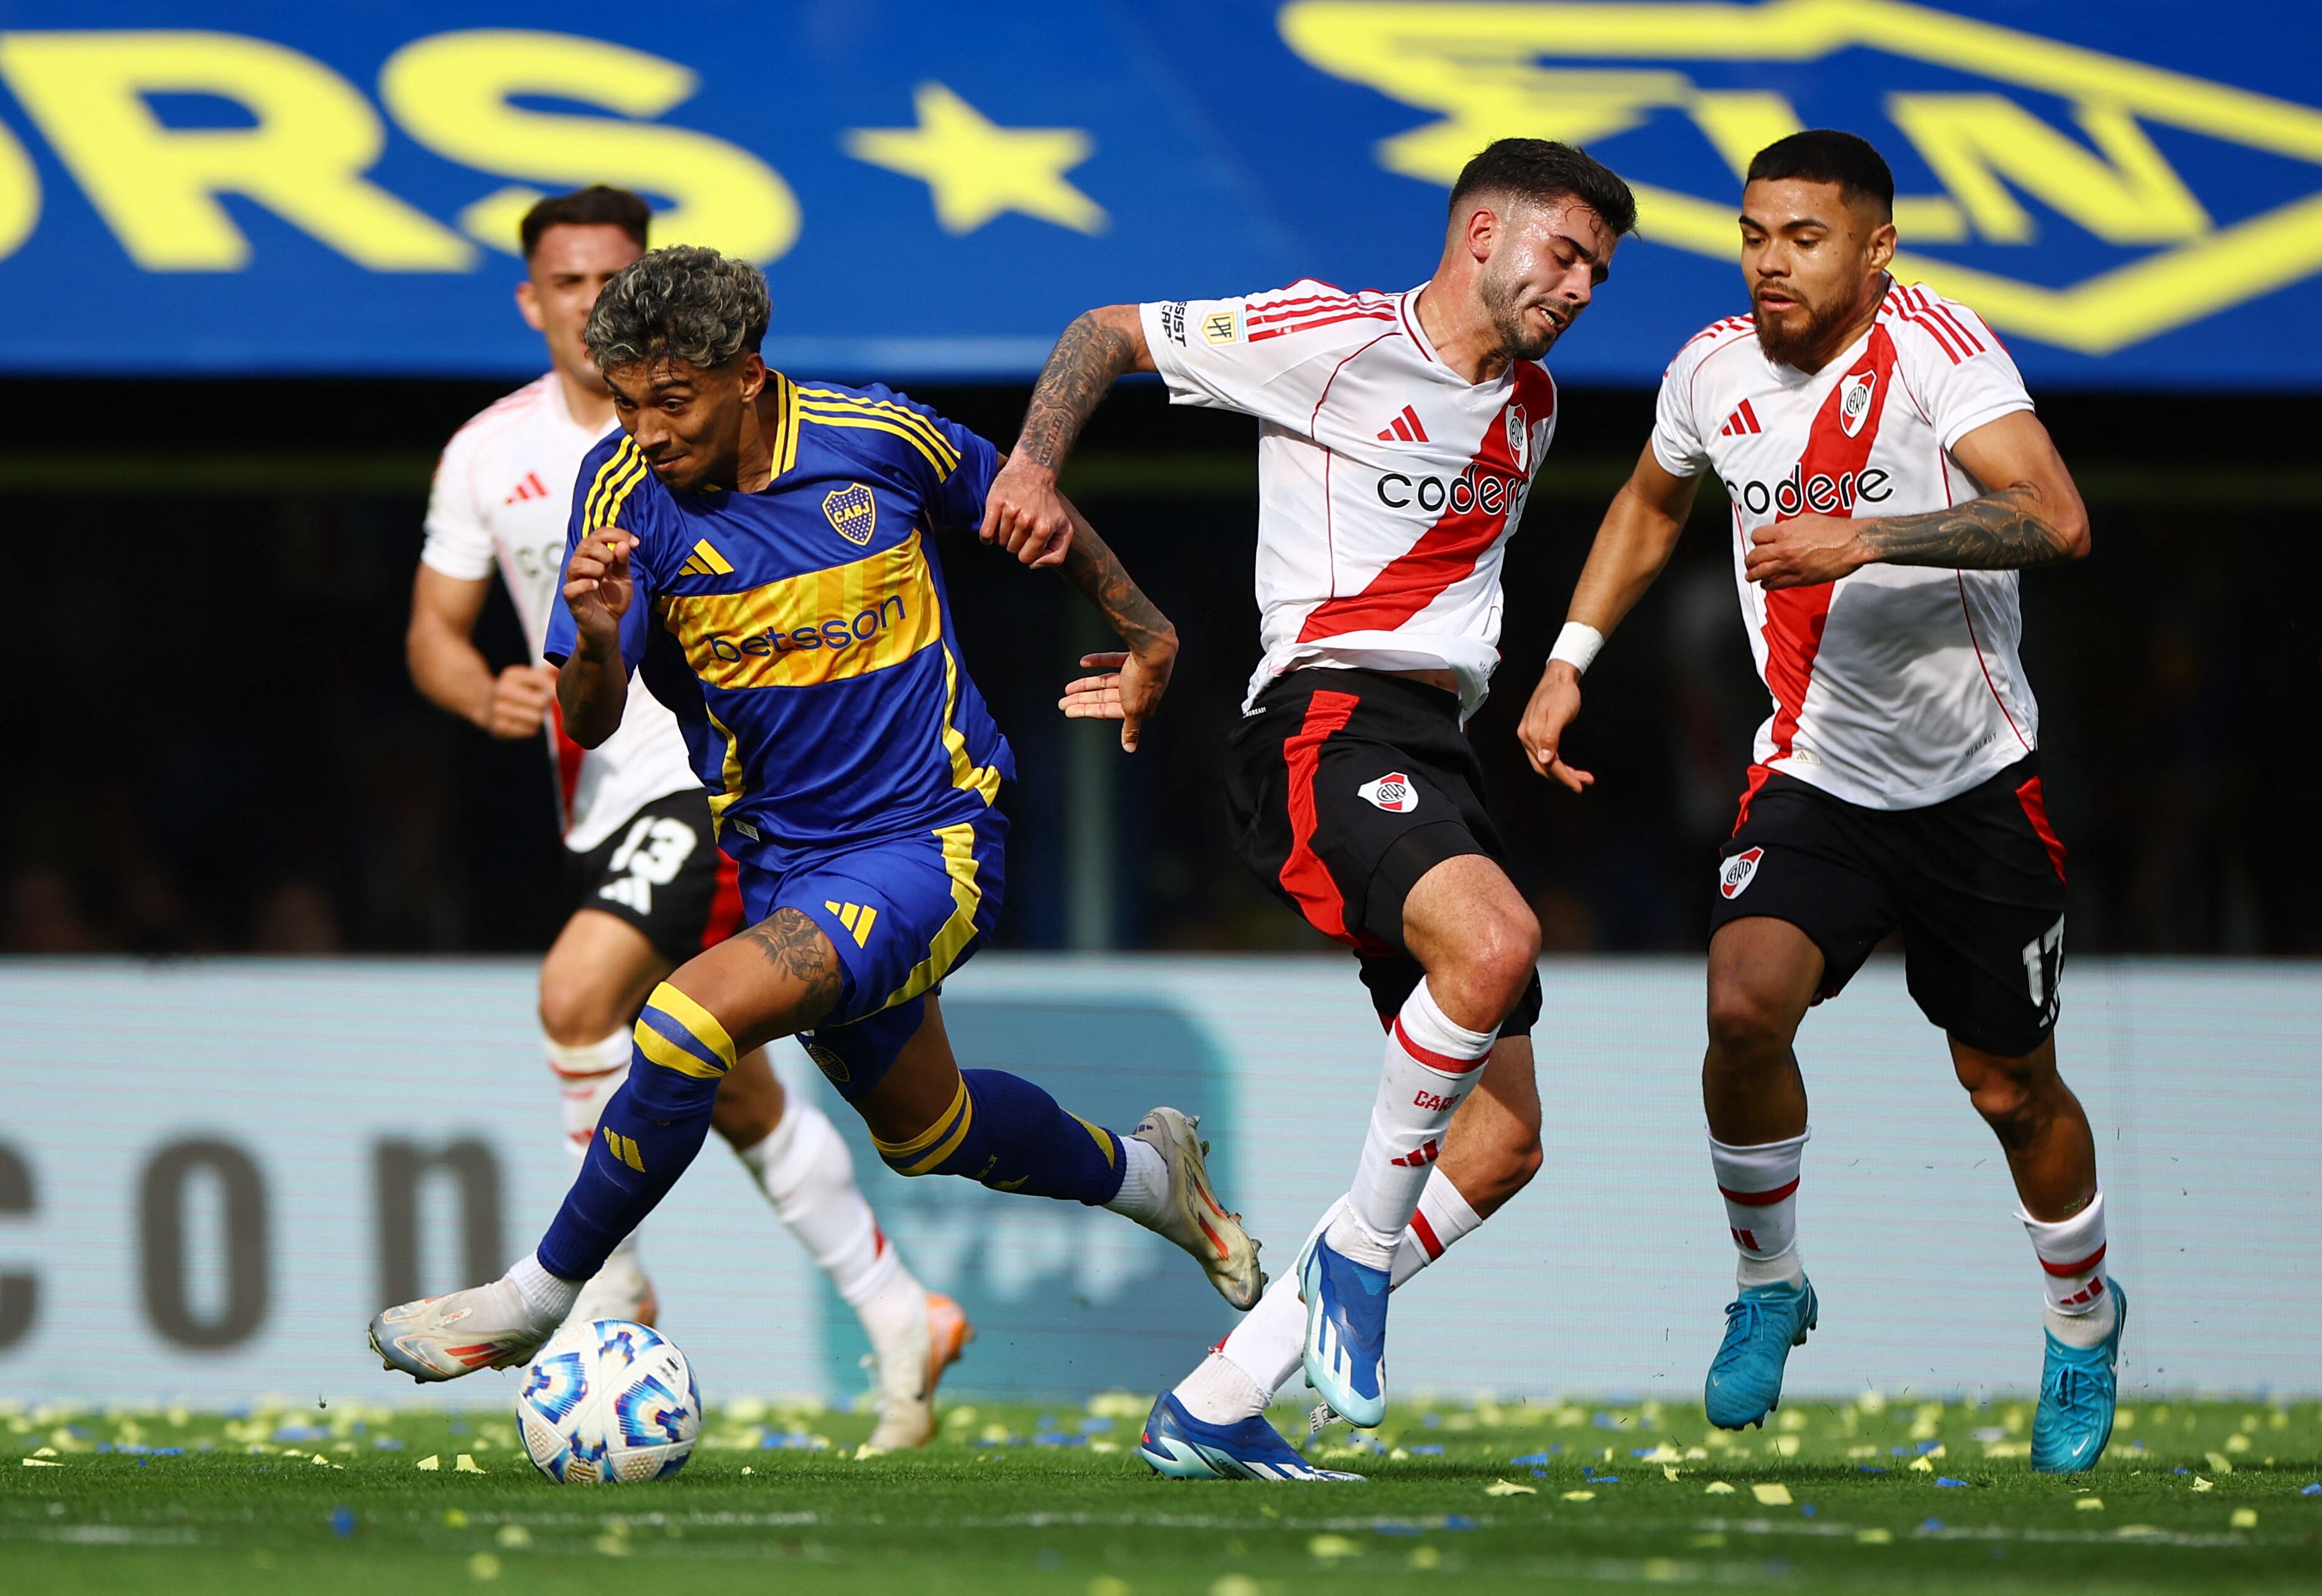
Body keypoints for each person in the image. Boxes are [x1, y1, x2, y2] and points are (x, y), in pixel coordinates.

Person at [373, 243, 1261, 1399]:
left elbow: (1028, 507)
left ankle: (538, 1297)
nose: (646, 429)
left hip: (933, 840)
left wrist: (1148, 631)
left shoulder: (877, 439)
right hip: (788, 866)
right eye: (630, 402)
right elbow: (587, 721)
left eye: (671, 401)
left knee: (685, 1020)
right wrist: (594, 635)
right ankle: (1157, 1179)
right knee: (928, 1133)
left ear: (746, 372)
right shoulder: (618, 491)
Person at [983, 138, 1636, 1478]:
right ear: (1480, 236)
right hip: (1325, 720)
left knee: (1504, 1138)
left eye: (1598, 271)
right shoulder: (1326, 335)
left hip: (1431, 747)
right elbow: (1103, 329)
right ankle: (1358, 1259)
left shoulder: (1534, 405)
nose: (1578, 288)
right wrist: (1036, 466)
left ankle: (1220, 1396)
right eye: (1562, 254)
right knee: (1496, 942)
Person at [1515, 131, 2118, 1472]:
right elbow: (1646, 507)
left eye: (1805, 236)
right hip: (1815, 775)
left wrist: (1870, 533)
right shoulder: (1710, 370)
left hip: (1974, 785)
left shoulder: (1941, 352)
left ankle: (2080, 1323)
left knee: (2007, 1088)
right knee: (1740, 1007)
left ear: (1876, 247)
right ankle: (1769, 1282)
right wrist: (1566, 663)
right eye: (1753, 233)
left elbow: (2057, 519)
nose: (1772, 262)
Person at [407, 188, 961, 1449]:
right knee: (730, 1084)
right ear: (531, 301)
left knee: (576, 993)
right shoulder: (489, 453)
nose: (591, 300)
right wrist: (482, 684)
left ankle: (604, 1290)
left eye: (615, 276)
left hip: (717, 786)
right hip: (601, 791)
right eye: (567, 282)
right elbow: (434, 637)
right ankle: (897, 1311)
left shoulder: (735, 435)